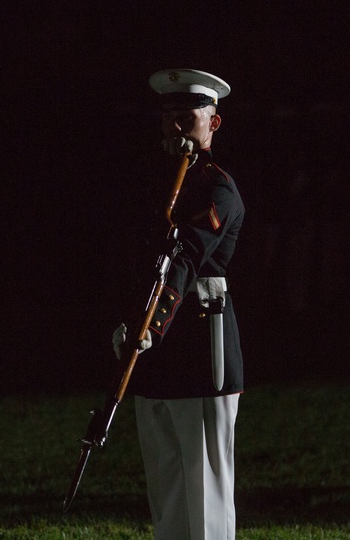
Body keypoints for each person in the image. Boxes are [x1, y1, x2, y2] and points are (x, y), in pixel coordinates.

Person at [112, 68, 245, 540]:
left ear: (213, 123)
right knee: (167, 485)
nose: (175, 128)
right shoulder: (148, 185)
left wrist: (152, 320)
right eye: (168, 117)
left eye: (187, 118)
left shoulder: (216, 188)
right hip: (152, 344)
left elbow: (184, 256)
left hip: (198, 344)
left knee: (204, 482)